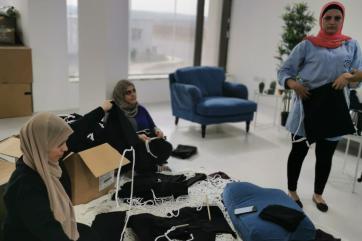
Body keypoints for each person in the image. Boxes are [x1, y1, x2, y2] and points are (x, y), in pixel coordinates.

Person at [278, 1, 362, 212]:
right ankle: (292, 191)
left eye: (337, 18)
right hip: (307, 106)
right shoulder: (307, 45)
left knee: (325, 156)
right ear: (321, 20)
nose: (332, 22)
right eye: (328, 17)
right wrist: (293, 84)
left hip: (334, 108)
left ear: (342, 20)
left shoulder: (351, 45)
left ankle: (318, 194)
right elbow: (284, 71)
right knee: (298, 151)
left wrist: (348, 76)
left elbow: (359, 73)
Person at [3, 113, 100, 241]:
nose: (65, 148)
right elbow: (48, 231)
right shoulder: (26, 186)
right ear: (41, 145)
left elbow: (78, 130)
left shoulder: (43, 161)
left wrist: (101, 111)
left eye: (65, 141)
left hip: (43, 228)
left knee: (90, 234)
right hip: (27, 235)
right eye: (59, 144)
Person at [113, 79, 173, 172]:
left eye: (134, 90)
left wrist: (157, 131)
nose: (133, 94)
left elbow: (152, 125)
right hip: (133, 145)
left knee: (167, 147)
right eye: (128, 93)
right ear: (121, 96)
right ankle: (153, 167)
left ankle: (147, 165)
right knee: (141, 154)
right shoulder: (118, 114)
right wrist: (137, 137)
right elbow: (118, 137)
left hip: (148, 142)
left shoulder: (140, 109)